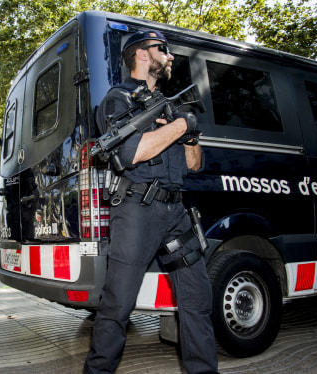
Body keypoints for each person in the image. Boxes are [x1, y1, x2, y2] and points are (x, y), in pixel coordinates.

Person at [83, 30, 218, 374]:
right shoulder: (117, 100)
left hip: (177, 211)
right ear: (142, 55)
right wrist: (178, 127)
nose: (171, 56)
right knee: (116, 307)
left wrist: (189, 134)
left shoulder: (170, 104)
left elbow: (194, 164)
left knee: (198, 301)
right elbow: (133, 152)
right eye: (164, 50)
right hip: (137, 211)